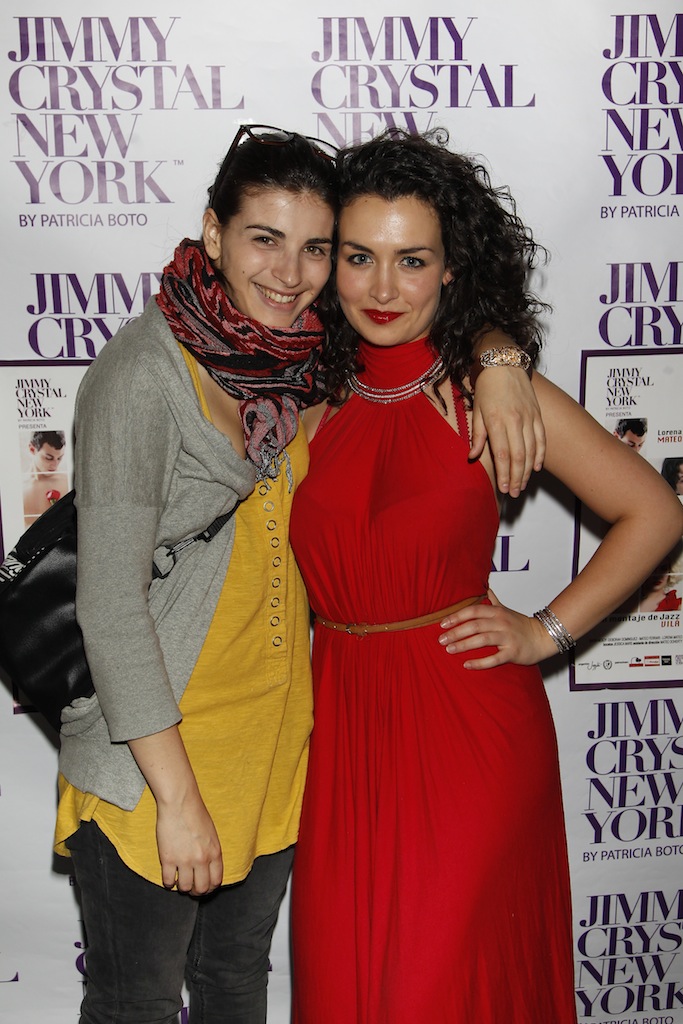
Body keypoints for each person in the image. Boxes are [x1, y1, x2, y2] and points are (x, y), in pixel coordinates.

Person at [51, 125, 541, 1024]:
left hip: (274, 757)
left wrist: (501, 352)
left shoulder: (307, 359)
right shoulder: (142, 375)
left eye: (317, 247)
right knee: (138, 1003)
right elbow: (111, 605)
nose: (292, 271)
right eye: (263, 239)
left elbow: (426, 321)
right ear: (212, 233)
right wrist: (180, 801)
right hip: (156, 766)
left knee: (239, 987)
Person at [288, 130, 683, 1024]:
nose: (382, 288)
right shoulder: (308, 396)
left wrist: (545, 631)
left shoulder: (486, 387)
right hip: (339, 725)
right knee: (347, 987)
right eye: (358, 257)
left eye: (411, 260)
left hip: (464, 727)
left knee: (434, 986)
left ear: (452, 271)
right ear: (328, 262)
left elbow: (654, 512)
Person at [22, 428, 69, 525]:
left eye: (60, 458)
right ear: (32, 449)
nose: (55, 465)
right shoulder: (19, 488)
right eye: (49, 458)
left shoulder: (67, 482)